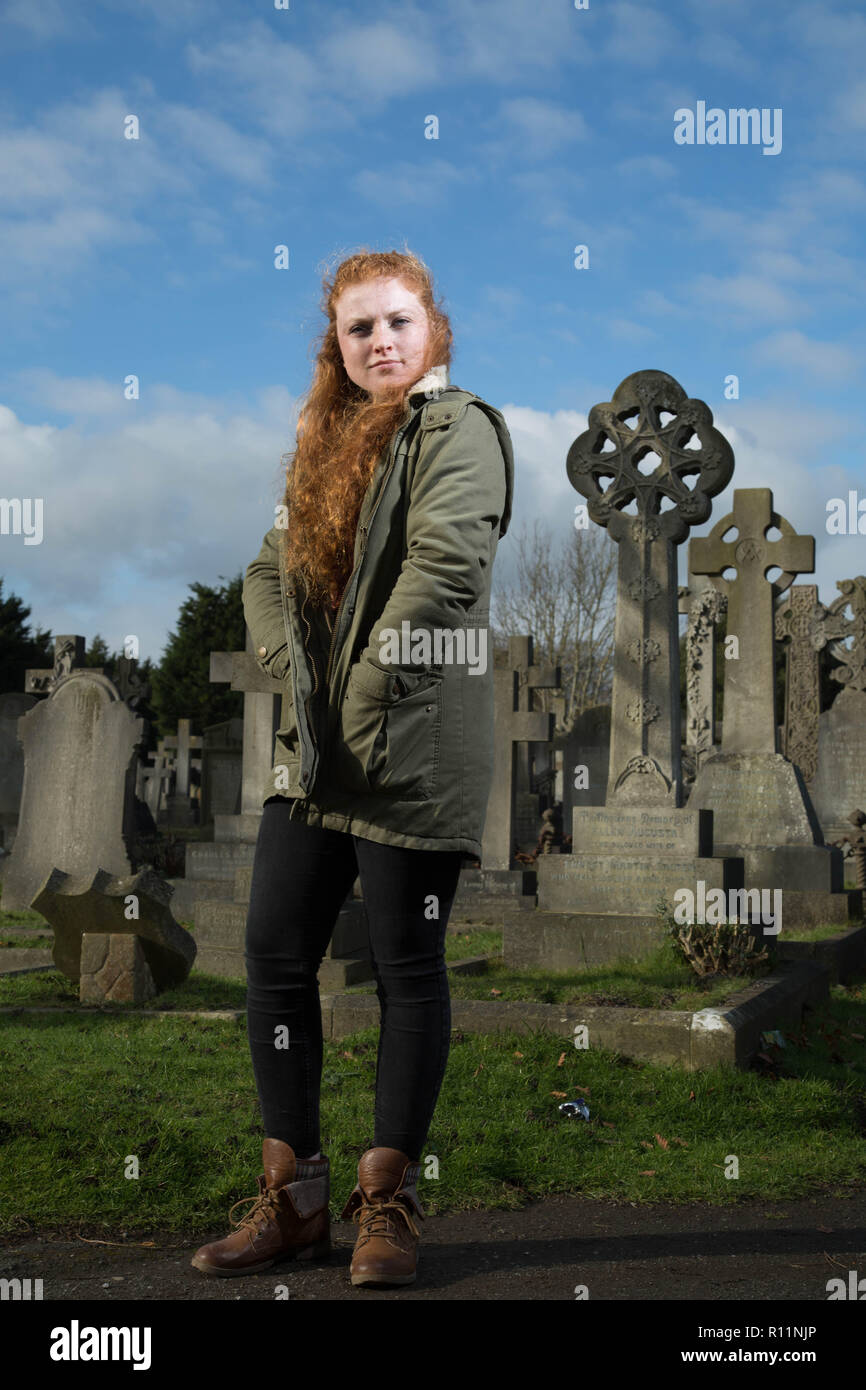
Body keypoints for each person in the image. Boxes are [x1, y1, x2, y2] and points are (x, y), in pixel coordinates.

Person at [191, 247, 514, 1288]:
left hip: (409, 743)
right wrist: (293, 670)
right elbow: (262, 567)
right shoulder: (324, 443)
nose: (379, 341)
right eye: (357, 328)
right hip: (317, 748)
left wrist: (364, 689)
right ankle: (293, 1200)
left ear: (433, 328)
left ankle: (387, 1203)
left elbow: (446, 567)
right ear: (335, 343)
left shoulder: (458, 428)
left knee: (402, 965)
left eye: (396, 322)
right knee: (275, 947)